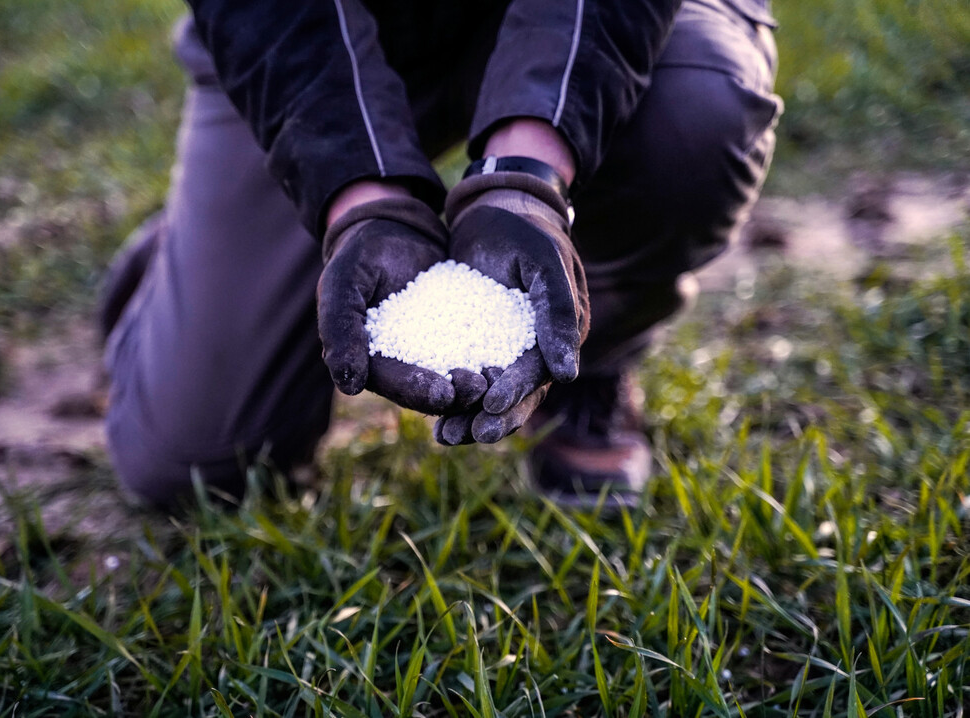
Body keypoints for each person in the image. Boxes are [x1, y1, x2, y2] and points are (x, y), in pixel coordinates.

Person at [99, 0, 782, 509]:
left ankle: (590, 357)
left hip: (615, 23)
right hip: (324, 38)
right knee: (196, 468)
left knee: (696, 113)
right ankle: (187, 264)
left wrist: (525, 180)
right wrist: (361, 203)